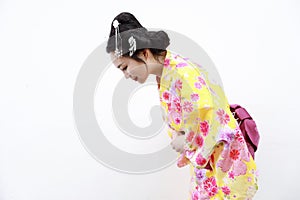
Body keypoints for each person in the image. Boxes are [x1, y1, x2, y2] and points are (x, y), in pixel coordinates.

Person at [106, 12, 258, 200]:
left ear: (144, 53)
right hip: (209, 166)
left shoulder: (183, 72)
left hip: (223, 165)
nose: (126, 75)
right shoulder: (167, 72)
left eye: (124, 67)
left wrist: (186, 140)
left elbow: (209, 117)